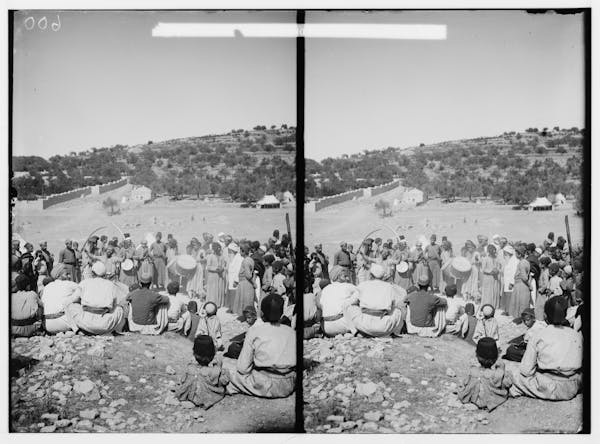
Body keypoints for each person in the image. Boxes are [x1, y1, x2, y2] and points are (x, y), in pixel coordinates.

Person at [507, 296, 582, 401]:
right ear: (565, 314)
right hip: (573, 385)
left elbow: (526, 371)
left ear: (545, 316)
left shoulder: (539, 335)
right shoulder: (576, 335)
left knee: (513, 373)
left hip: (549, 386)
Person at [225, 294, 296, 398]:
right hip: (289, 384)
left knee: (227, 368)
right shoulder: (291, 332)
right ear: (281, 313)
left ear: (262, 313)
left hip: (264, 384)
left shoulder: (255, 331)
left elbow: (242, 368)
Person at [343, 263, 406, 337]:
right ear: (383, 276)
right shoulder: (389, 287)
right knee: (398, 310)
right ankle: (395, 333)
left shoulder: (363, 285)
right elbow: (400, 300)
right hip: (383, 327)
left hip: (364, 325)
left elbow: (349, 303)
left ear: (370, 275)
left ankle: (355, 332)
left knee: (348, 306)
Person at [65, 262, 127, 335]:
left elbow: (72, 300)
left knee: (70, 305)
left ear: (92, 273)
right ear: (104, 274)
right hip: (105, 325)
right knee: (119, 308)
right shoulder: (111, 285)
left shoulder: (84, 282)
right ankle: (115, 331)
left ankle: (77, 331)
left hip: (86, 323)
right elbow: (115, 304)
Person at [175, 335, 230, 409]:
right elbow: (224, 381)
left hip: (191, 397)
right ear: (213, 354)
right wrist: (219, 366)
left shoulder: (190, 368)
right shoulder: (214, 371)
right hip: (206, 398)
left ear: (194, 353)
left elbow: (183, 380)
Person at [458, 337, 512, 412]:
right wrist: (501, 367)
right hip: (490, 401)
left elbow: (465, 383)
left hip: (475, 400)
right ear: (496, 356)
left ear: (477, 356)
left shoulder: (473, 371)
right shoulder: (496, 374)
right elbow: (507, 383)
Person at [319, 269, 360, 337]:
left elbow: (321, 305)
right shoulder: (348, 286)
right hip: (343, 324)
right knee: (354, 305)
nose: (348, 278)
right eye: (345, 276)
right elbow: (362, 293)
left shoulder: (325, 289)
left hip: (326, 328)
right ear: (338, 277)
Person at [40, 264, 80, 334]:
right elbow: (84, 291)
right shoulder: (69, 284)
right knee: (76, 301)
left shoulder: (47, 287)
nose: (69, 276)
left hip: (47, 326)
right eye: (66, 274)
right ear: (58, 275)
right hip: (64, 324)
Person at [509, 245, 531, 319]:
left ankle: (521, 318)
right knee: (522, 302)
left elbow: (524, 277)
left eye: (516, 253)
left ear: (519, 254)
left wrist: (529, 285)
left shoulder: (522, 263)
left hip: (521, 285)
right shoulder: (526, 262)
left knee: (521, 302)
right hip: (522, 284)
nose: (515, 254)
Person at [232, 244, 255, 317]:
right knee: (246, 299)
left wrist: (253, 283)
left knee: (245, 300)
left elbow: (248, 275)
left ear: (243, 251)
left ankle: (246, 315)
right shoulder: (250, 259)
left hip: (245, 283)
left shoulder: (246, 261)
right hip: (245, 282)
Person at [205, 242, 226, 307]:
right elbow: (208, 267)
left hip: (220, 276)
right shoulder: (211, 256)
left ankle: (218, 303)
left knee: (219, 289)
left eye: (219, 247)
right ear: (214, 248)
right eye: (217, 247)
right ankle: (212, 303)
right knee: (212, 290)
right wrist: (216, 269)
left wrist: (222, 269)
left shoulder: (222, 257)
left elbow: (223, 265)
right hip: (212, 276)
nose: (218, 249)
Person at [480, 244, 501, 309]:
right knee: (488, 292)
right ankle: (487, 305)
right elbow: (483, 269)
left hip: (495, 278)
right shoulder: (485, 259)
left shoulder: (497, 259)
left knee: (495, 291)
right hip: (488, 278)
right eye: (492, 250)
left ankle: (494, 305)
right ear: (489, 251)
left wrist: (497, 270)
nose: (493, 251)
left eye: (494, 250)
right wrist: (490, 271)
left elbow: (499, 267)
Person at [501, 245, 518, 315]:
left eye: (505, 253)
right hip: (507, 282)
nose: (504, 255)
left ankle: (509, 311)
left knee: (510, 297)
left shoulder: (513, 260)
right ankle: (507, 310)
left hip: (510, 283)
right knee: (507, 297)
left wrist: (511, 283)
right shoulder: (509, 260)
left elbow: (514, 272)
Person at [226, 243, 242, 311]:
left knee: (235, 295)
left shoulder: (238, 258)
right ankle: (232, 308)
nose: (228, 252)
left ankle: (234, 309)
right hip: (231, 279)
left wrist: (236, 280)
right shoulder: (233, 257)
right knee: (232, 294)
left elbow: (238, 270)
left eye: (229, 251)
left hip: (235, 280)